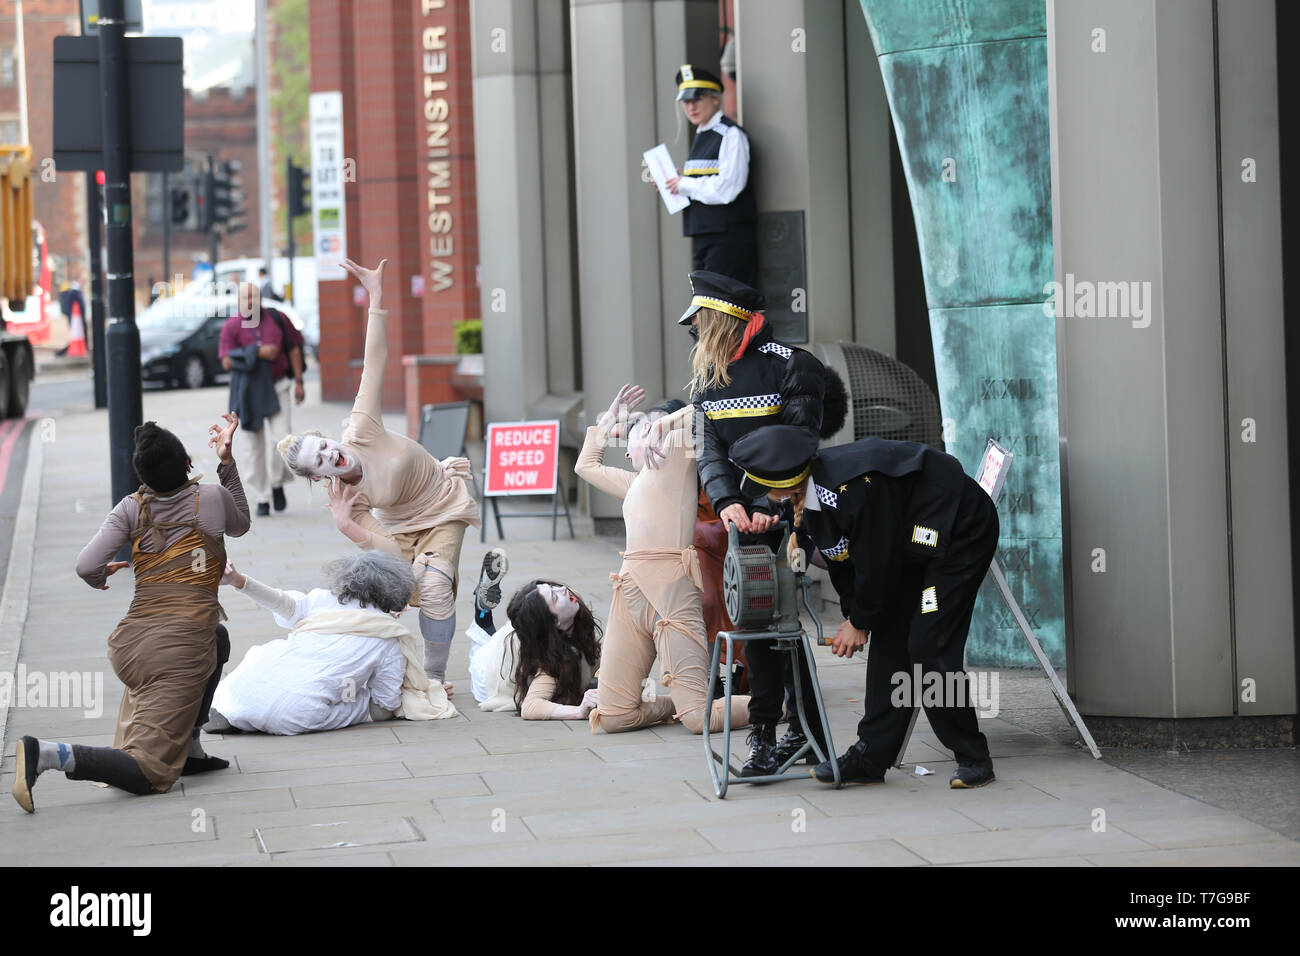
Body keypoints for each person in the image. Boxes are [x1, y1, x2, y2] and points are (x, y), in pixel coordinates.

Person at [729, 424, 1000, 789]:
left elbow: (877, 561)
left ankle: (973, 756)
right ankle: (872, 755)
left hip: (957, 533)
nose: (764, 496)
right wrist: (856, 615)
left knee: (928, 644)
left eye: (765, 488)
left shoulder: (853, 489)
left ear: (788, 481)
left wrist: (860, 621)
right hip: (911, 542)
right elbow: (844, 561)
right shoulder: (810, 502)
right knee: (891, 631)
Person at [13, 416, 249, 812]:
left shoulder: (130, 508)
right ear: (187, 464)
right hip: (179, 650)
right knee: (149, 772)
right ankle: (49, 753)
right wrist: (226, 462)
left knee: (219, 639)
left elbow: (85, 565)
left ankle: (189, 747)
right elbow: (240, 524)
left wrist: (100, 576)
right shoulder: (210, 497)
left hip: (131, 645)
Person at [276, 258, 480, 686]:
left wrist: (377, 298)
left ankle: (435, 676)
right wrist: (348, 526)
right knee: (401, 582)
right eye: (321, 461)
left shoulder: (360, 428)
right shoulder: (347, 499)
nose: (332, 455)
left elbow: (375, 361)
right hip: (400, 532)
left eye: (326, 446)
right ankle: (466, 621)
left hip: (442, 503)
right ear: (318, 477)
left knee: (436, 583)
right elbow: (389, 551)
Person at [681, 269, 845, 776]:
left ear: (722, 320)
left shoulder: (795, 366)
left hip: (789, 516)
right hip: (743, 520)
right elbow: (709, 451)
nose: (695, 330)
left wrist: (760, 505)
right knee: (756, 628)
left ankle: (802, 731)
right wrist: (726, 501)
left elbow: (795, 446)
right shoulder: (709, 378)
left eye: (701, 319)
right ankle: (766, 736)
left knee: (784, 627)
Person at [574, 385, 750, 734]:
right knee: (612, 716)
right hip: (629, 594)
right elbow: (585, 466)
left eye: (631, 441)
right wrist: (607, 423)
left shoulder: (674, 461)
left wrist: (659, 426)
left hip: (670, 593)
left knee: (701, 721)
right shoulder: (636, 482)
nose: (625, 455)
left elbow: (702, 408)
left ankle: (783, 703)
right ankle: (681, 703)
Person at [205, 551, 455, 735]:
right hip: (295, 715)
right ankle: (262, 714)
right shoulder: (388, 637)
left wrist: (239, 581)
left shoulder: (319, 600)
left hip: (232, 696)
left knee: (268, 653)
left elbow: (280, 601)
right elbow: (385, 704)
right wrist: (418, 689)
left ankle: (238, 713)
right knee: (360, 695)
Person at [664, 65, 758, 285]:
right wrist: (673, 185)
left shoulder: (731, 134)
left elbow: (727, 188)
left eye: (698, 98)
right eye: (686, 101)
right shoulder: (702, 136)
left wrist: (685, 184)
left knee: (721, 309)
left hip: (728, 239)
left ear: (715, 99)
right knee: (705, 310)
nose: (691, 106)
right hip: (704, 237)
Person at [219, 283, 306, 517]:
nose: (251, 301)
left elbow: (294, 349)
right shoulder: (231, 326)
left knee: (283, 439)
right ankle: (262, 497)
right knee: (253, 448)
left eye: (255, 296)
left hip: (278, 386)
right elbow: (226, 362)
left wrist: (299, 382)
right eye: (246, 297)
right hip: (248, 394)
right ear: (238, 301)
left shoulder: (278, 318)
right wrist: (258, 351)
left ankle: (277, 483)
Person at [471, 577, 602, 721]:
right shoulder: (549, 659)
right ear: (554, 621)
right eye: (554, 596)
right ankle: (482, 617)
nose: (563, 589)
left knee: (494, 638)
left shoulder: (570, 600)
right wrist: (579, 711)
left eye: (553, 587)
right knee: (479, 651)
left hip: (520, 635)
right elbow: (531, 707)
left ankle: (483, 617)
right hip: (490, 674)